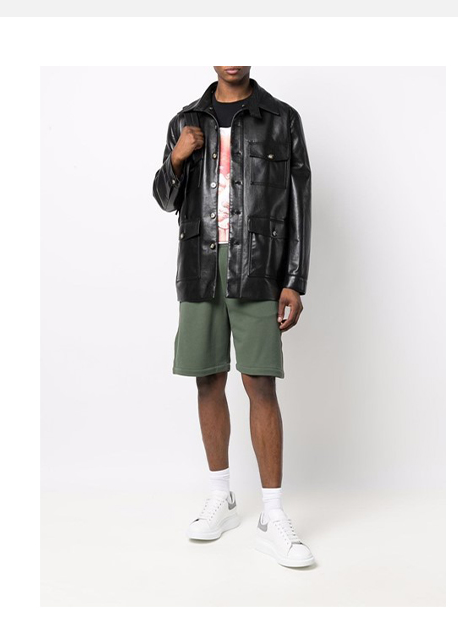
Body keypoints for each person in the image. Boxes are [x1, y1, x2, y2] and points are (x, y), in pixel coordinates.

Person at [152, 67, 313, 568]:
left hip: (258, 266)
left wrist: (294, 278)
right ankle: (220, 497)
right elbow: (164, 199)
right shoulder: (185, 121)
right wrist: (177, 158)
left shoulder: (281, 119)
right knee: (208, 379)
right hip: (200, 263)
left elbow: (300, 201)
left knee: (260, 382)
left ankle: (273, 515)